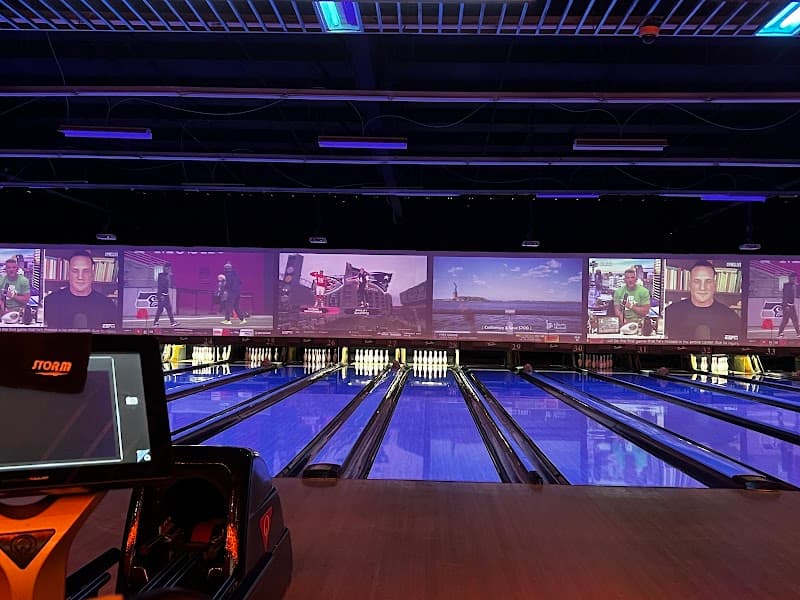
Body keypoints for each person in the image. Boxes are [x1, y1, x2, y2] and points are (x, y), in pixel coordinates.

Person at [664, 260, 740, 341]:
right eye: (697, 281)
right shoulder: (670, 312)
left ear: (714, 285)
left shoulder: (731, 316)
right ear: (690, 285)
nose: (702, 287)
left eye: (708, 281)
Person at [44, 250, 118, 330]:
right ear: (68, 274)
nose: (80, 277)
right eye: (75, 271)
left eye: (85, 271)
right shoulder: (50, 302)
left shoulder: (107, 305)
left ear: (92, 274)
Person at [0, 257, 31, 321]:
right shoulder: (1, 280)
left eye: (14, 267)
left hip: (20, 313)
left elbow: (26, 300)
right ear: (5, 269)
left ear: (17, 269)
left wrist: (13, 296)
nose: (11, 270)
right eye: (9, 268)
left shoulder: (24, 280)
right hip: (4, 312)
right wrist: (4, 309)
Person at [153, 263, 178, 328]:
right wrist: (161, 295)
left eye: (170, 268)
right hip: (162, 295)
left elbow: (170, 284)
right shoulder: (161, 275)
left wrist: (170, 276)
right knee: (160, 309)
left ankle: (172, 322)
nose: (170, 270)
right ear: (165, 268)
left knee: (169, 308)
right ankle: (155, 322)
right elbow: (160, 286)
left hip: (166, 295)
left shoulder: (167, 275)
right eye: (169, 268)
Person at [778, 272, 800, 338]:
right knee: (786, 320)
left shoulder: (794, 285)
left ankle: (798, 333)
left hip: (792, 305)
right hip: (787, 305)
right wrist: (786, 305)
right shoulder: (787, 285)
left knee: (794, 320)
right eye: (794, 278)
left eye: (796, 278)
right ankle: (780, 333)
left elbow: (797, 295)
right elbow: (785, 296)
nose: (795, 279)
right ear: (791, 278)